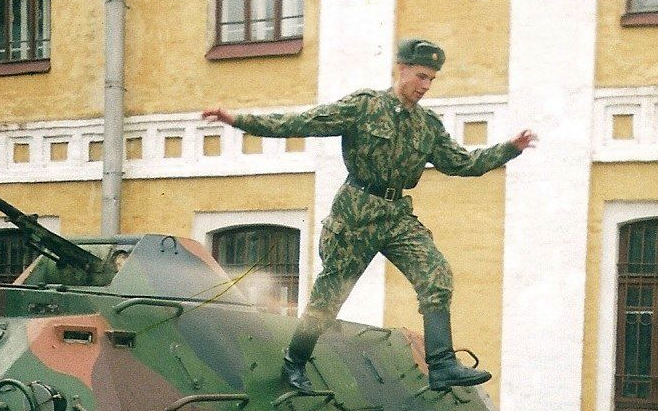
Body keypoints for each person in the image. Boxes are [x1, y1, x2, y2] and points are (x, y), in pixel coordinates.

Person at [203, 38, 536, 392]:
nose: (425, 86)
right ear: (402, 69)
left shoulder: (427, 126)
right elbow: (301, 123)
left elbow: (463, 163)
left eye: (432, 80)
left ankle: (441, 364)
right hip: (356, 213)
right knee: (329, 297)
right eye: (421, 76)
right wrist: (236, 119)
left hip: (396, 215)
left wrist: (509, 150)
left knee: (436, 275)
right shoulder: (365, 106)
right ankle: (293, 364)